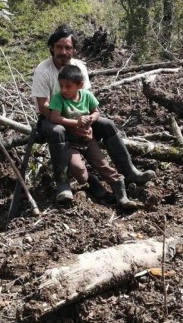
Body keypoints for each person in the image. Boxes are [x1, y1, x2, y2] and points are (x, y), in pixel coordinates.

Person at [31, 25, 154, 203]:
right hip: (52, 118)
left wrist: (87, 125)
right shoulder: (43, 70)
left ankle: (129, 172)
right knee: (58, 131)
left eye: (68, 47)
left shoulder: (79, 67)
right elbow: (44, 107)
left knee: (107, 124)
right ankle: (63, 185)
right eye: (59, 47)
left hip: (79, 117)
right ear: (51, 48)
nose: (63, 51)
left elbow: (87, 101)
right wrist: (73, 125)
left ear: (74, 50)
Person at [49, 65, 138, 209]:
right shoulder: (58, 98)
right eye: (61, 86)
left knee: (103, 165)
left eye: (68, 86)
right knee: (80, 173)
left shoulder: (87, 96)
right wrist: (75, 122)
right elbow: (54, 117)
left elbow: (96, 112)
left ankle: (121, 195)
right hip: (70, 143)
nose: (64, 90)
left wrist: (91, 119)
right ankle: (92, 180)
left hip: (88, 140)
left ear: (80, 85)